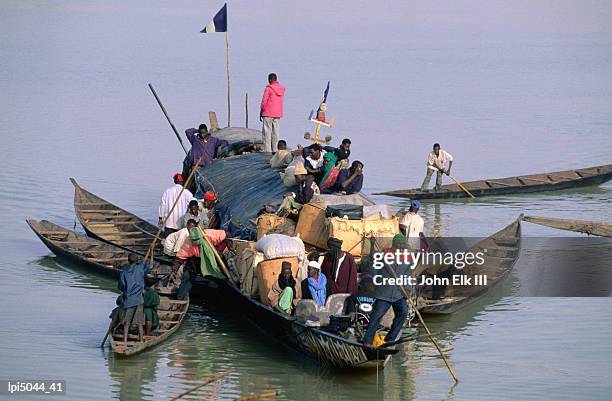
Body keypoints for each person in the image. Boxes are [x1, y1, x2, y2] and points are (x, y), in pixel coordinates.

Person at [362, 234, 412, 346]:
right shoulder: (384, 254)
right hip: (384, 293)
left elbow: (408, 275)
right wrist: (372, 245)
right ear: (397, 245)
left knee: (403, 312)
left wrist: (408, 290)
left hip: (399, 293)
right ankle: (367, 341)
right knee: (377, 316)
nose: (403, 248)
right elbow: (373, 260)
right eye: (402, 246)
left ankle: (390, 339)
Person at [118, 253, 150, 343]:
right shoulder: (141, 268)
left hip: (128, 300)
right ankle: (141, 340)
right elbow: (148, 267)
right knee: (139, 322)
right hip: (139, 300)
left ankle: (124, 341)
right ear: (137, 261)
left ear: (128, 261)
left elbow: (121, 287)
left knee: (126, 323)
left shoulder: (124, 272)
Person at [260, 73, 286, 153]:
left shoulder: (268, 88)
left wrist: (262, 110)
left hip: (268, 113)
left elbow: (264, 101)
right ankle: (275, 150)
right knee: (276, 133)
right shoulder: (281, 89)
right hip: (277, 114)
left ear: (270, 80)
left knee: (267, 133)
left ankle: (267, 151)